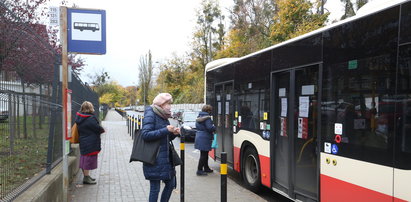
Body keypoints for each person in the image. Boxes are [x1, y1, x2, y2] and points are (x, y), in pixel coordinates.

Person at [141, 93, 180, 202]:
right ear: (161, 104)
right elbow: (145, 135)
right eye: (168, 103)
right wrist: (166, 130)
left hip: (164, 158)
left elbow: (165, 137)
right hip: (154, 157)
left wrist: (173, 133)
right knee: (155, 188)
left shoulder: (163, 116)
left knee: (171, 184)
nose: (170, 106)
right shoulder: (151, 114)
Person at [75, 101, 105, 185]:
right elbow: (96, 127)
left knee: (85, 158)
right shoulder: (90, 118)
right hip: (90, 141)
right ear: (90, 108)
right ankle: (86, 178)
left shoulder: (80, 117)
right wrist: (102, 130)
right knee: (87, 160)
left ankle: (87, 176)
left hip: (83, 140)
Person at [194, 104, 216, 176]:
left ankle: (206, 168)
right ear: (208, 111)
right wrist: (214, 127)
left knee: (204, 154)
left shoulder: (199, 116)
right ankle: (199, 170)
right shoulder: (207, 118)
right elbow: (209, 128)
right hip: (205, 137)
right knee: (204, 155)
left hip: (199, 136)